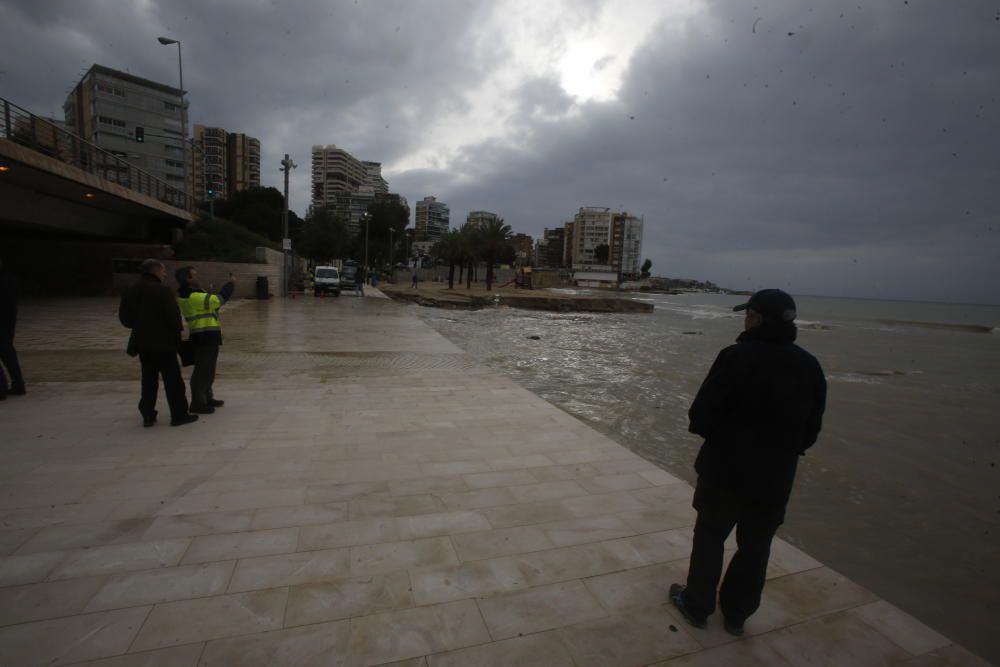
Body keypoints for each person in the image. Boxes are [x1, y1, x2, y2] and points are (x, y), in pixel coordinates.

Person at [670, 289, 826, 636]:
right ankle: (737, 614)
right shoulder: (809, 365)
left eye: (747, 314)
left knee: (710, 537)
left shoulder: (736, 357)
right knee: (755, 546)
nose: (744, 319)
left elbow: (700, 416)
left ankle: (697, 606)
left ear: (755, 318)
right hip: (775, 478)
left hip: (724, 471)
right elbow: (811, 431)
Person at [119, 259, 197, 427]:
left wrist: (141, 326)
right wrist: (177, 336)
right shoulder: (162, 290)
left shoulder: (130, 290)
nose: (165, 274)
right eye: (163, 271)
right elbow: (173, 317)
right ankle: (179, 415)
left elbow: (125, 319)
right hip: (164, 343)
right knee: (173, 380)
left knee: (148, 379)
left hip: (142, 343)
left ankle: (148, 415)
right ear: (155, 271)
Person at [175, 267, 234, 414]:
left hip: (209, 335)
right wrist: (230, 284)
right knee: (202, 371)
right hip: (203, 336)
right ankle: (197, 403)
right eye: (195, 275)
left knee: (209, 369)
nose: (198, 276)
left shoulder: (195, 294)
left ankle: (207, 397)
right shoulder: (191, 296)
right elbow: (218, 300)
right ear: (188, 279)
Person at [0, 258, 26, 400]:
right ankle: (18, 384)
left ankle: (1, 387)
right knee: (7, 352)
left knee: (6, 351)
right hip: (8, 321)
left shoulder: (5, 281)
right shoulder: (10, 280)